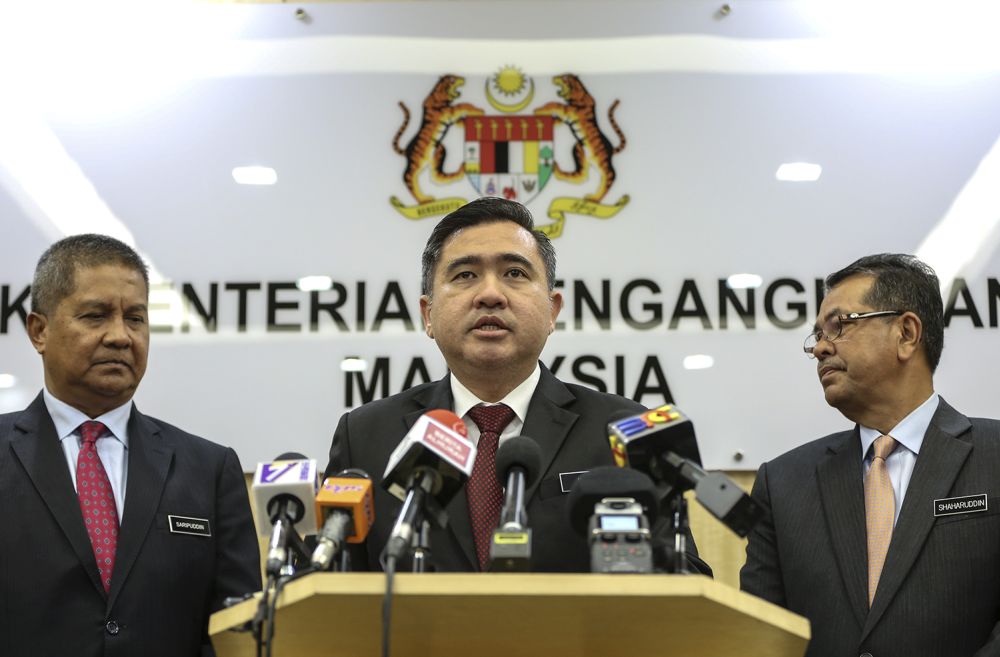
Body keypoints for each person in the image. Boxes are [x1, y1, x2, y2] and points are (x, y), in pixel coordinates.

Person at [326, 197, 708, 573]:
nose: (490, 294)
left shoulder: (624, 431)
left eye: (514, 273)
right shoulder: (366, 436)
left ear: (552, 311)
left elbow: (686, 587)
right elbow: (322, 596)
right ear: (428, 315)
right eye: (465, 275)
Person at [0, 234, 261, 657]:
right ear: (39, 331)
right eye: (95, 316)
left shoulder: (210, 469)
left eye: (135, 318)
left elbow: (236, 631)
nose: (121, 336)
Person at [741, 254, 1000, 657]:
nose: (821, 348)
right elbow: (760, 637)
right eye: (817, 336)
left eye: (839, 326)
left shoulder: (995, 455)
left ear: (906, 333)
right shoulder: (783, 484)